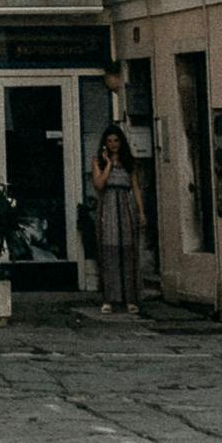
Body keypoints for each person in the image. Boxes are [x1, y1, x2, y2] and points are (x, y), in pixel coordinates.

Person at [92, 123, 146, 316]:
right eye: (109, 141)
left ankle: (130, 298)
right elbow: (98, 184)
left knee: (128, 251)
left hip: (125, 206)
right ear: (104, 144)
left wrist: (141, 211)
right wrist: (107, 164)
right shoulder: (98, 162)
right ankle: (108, 298)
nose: (113, 144)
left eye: (116, 140)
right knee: (108, 252)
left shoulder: (129, 163)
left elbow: (136, 188)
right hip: (107, 208)